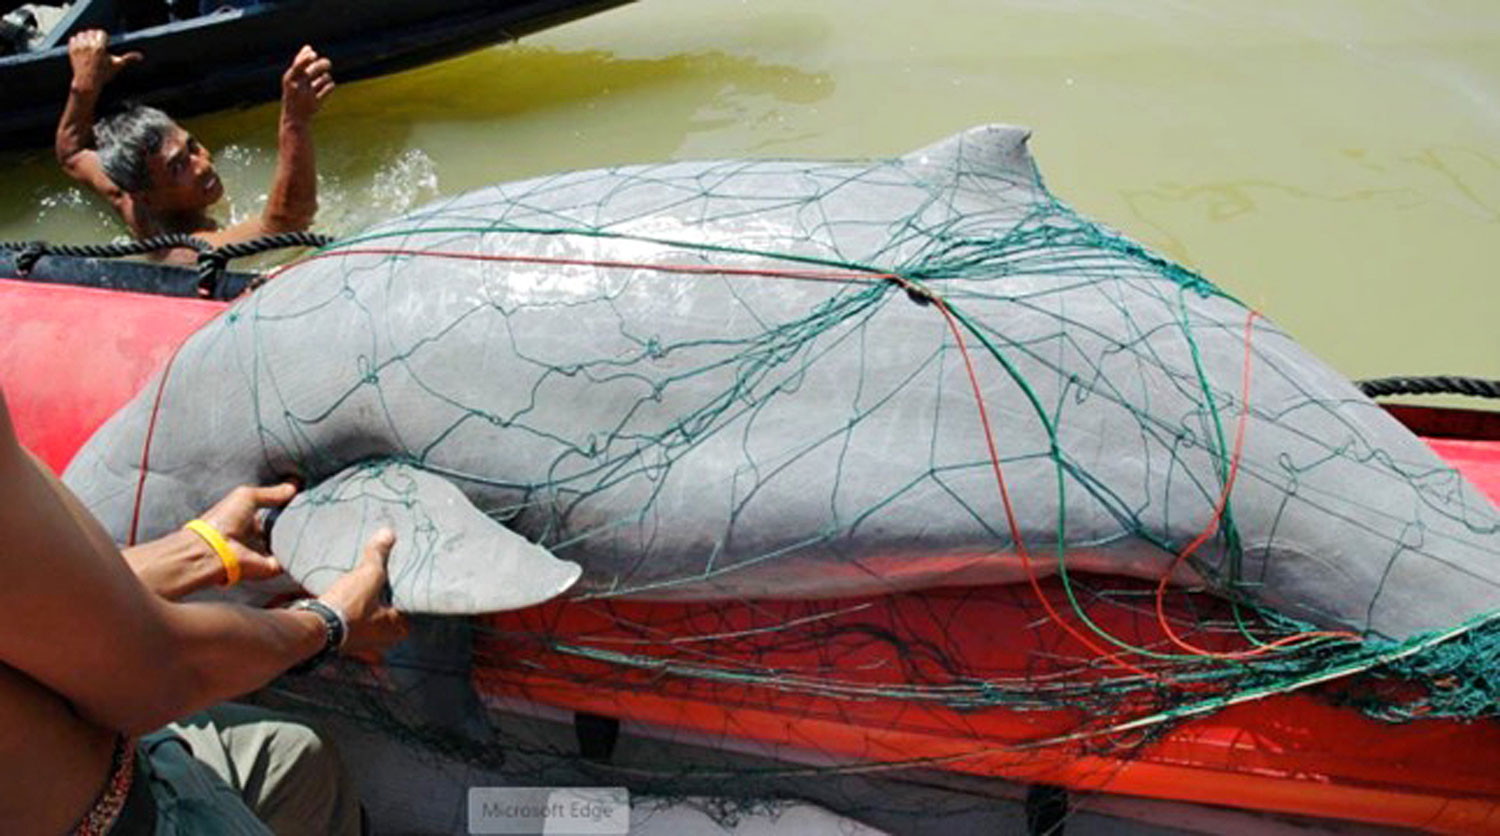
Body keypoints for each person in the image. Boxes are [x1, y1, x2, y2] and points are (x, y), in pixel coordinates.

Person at [0, 382, 408, 834]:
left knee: (297, 757)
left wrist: (200, 550)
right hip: (132, 817)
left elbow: (40, 608)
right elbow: (160, 675)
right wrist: (329, 623)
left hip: (136, 756)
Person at [54, 29, 335, 265]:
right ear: (146, 198)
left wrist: (86, 83)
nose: (202, 165)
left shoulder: (125, 191)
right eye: (177, 168)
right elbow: (287, 226)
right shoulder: (182, 252)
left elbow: (71, 152)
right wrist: (294, 122)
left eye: (192, 147)